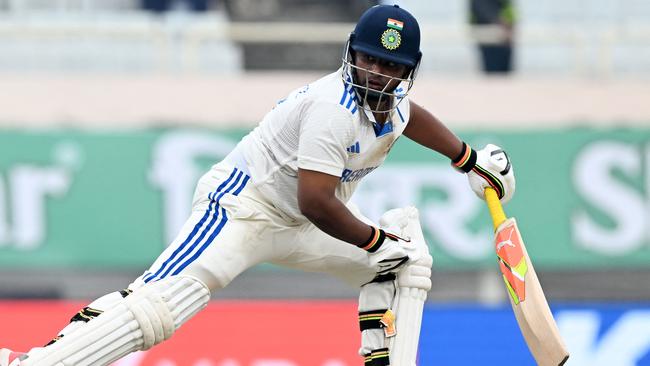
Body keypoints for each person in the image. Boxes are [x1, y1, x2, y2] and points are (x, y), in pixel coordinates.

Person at [0, 4, 515, 366]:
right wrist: (375, 240)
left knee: (407, 266)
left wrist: (467, 159)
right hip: (241, 211)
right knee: (161, 305)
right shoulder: (332, 110)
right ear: (352, 54)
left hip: (295, 222)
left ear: (407, 72)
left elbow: (411, 118)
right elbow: (316, 200)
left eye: (390, 66)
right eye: (369, 59)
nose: (376, 74)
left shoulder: (393, 101)